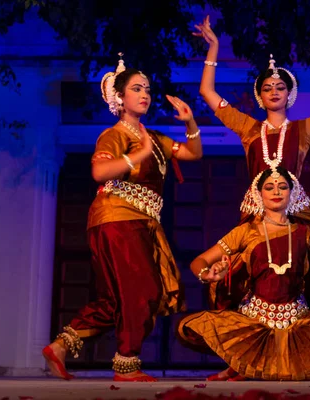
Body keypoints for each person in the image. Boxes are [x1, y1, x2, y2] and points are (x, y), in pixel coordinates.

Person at [42, 54, 203, 382]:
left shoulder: (154, 138)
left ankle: (61, 346)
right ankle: (126, 361)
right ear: (120, 97)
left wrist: (189, 122)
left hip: (140, 222)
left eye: (147, 89)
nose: (145, 94)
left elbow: (192, 153)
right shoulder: (114, 135)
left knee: (121, 296)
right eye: (136, 88)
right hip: (116, 218)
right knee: (139, 290)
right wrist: (136, 156)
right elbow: (100, 171)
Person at [175, 166, 310, 381]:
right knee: (192, 328)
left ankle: (277, 364)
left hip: (298, 322)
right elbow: (200, 261)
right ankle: (248, 364)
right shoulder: (246, 231)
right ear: (259, 194)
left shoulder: (306, 233)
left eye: (282, 187)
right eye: (269, 187)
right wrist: (208, 275)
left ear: (292, 193)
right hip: (253, 322)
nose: (276, 192)